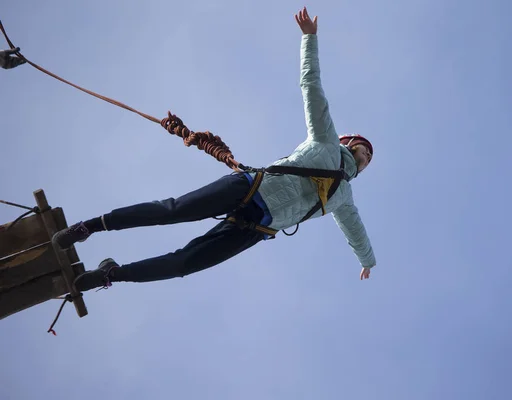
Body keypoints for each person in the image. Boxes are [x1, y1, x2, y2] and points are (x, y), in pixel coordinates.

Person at [52, 7, 377, 293]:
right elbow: (312, 86)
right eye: (364, 148)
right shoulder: (324, 139)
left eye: (368, 158)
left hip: (257, 228)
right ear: (347, 143)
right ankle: (88, 227)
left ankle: (111, 274)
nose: (366, 156)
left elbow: (356, 233)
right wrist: (310, 38)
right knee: (173, 210)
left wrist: (368, 261)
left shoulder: (344, 198)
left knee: (184, 264)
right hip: (249, 189)